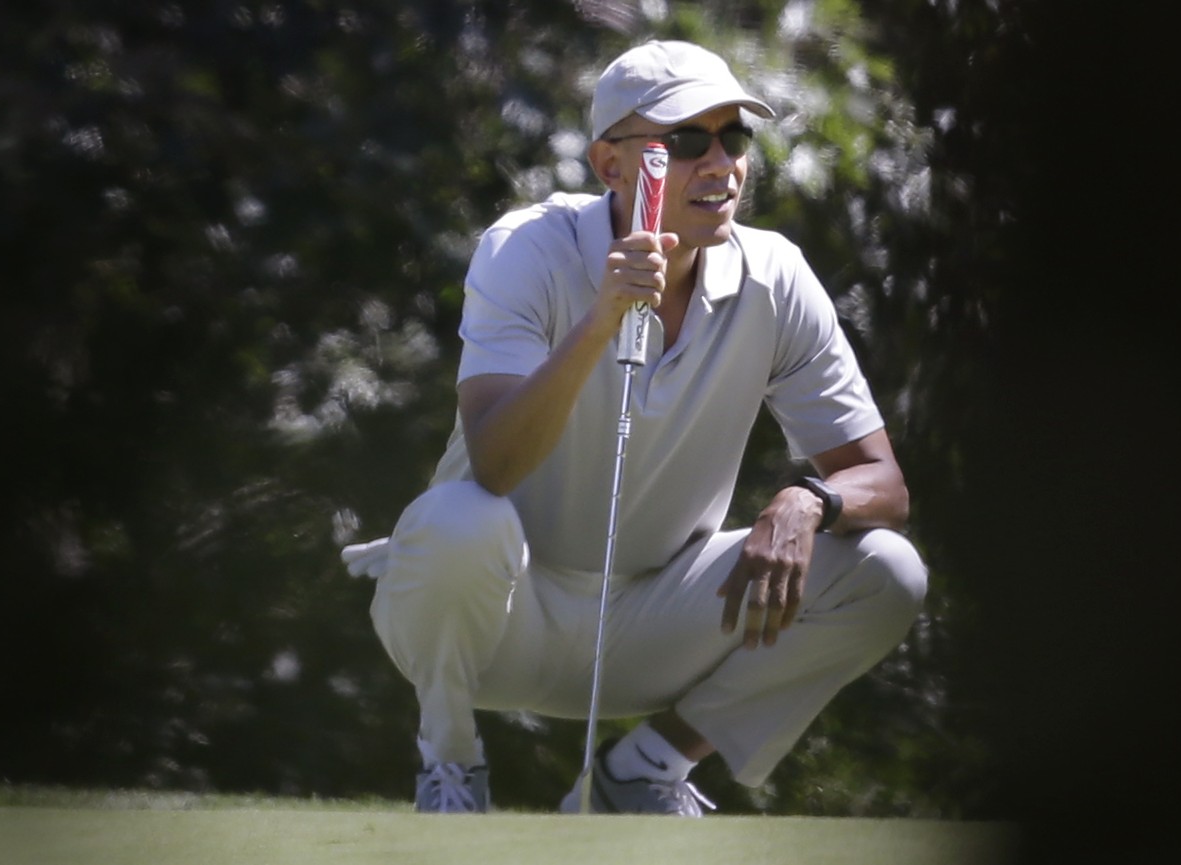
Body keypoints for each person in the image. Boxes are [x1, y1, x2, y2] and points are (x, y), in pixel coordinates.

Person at [341, 39, 927, 815]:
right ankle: (450, 767)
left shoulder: (776, 275)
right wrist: (599, 322)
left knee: (888, 571)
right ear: (610, 164)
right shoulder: (526, 248)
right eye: (687, 141)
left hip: (658, 621)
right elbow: (494, 463)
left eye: (734, 137)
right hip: (492, 618)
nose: (720, 162)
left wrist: (809, 501)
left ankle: (644, 770)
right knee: (455, 517)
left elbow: (883, 482)